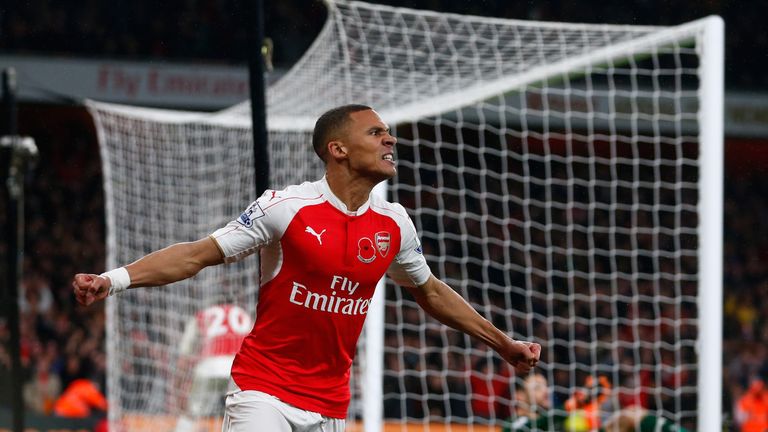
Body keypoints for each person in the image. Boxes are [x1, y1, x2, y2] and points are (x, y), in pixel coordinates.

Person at [73, 104, 541, 432]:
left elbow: (431, 292)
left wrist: (504, 345)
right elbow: (197, 254)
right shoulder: (286, 207)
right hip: (264, 390)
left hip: (330, 401)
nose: (390, 139)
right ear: (338, 149)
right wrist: (112, 280)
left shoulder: (395, 223)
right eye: (375, 133)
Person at [504, 373, 689, 432]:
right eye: (537, 387)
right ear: (519, 396)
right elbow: (531, 427)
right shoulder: (512, 425)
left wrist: (587, 402)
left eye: (545, 386)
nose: (545, 391)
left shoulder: (554, 420)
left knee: (630, 415)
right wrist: (574, 404)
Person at [174, 303, 252, 432]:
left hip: (209, 368)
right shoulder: (244, 315)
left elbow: (184, 358)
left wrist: (177, 385)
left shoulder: (202, 315)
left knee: (190, 414)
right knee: (243, 414)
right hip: (237, 368)